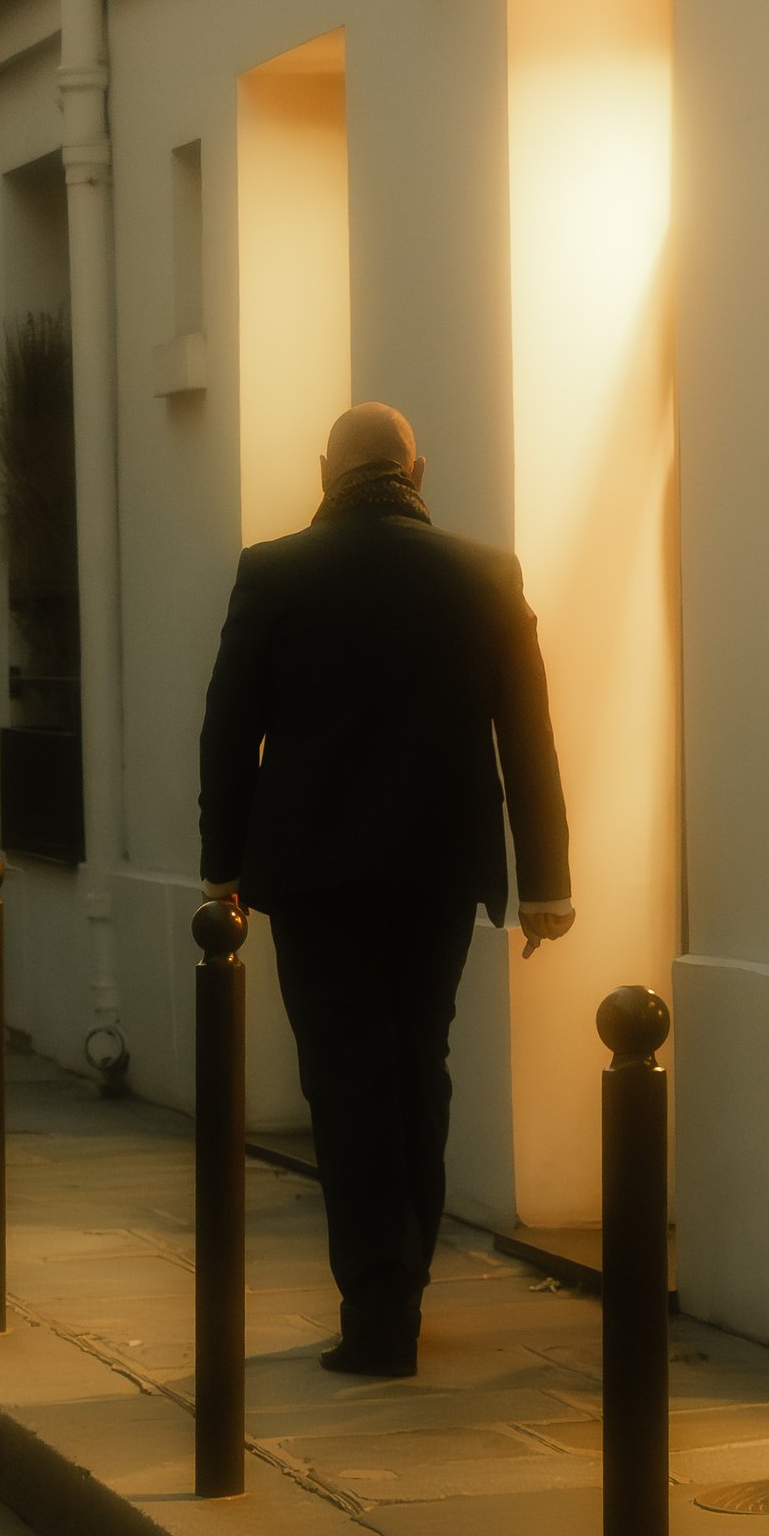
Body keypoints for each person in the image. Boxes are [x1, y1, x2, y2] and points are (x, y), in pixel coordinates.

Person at [198, 400, 571, 1378]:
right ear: (419, 469)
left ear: (326, 470)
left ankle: (378, 1304)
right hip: (437, 870)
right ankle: (403, 1283)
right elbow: (527, 731)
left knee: (344, 1077)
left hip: (314, 876)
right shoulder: (485, 573)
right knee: (417, 1065)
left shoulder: (274, 571)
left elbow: (229, 727)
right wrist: (546, 882)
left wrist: (222, 866)